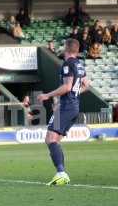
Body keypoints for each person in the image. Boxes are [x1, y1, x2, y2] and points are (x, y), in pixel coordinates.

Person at [37, 39, 90, 186]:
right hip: (73, 106)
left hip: (67, 107)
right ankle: (61, 173)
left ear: (66, 48)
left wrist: (47, 95)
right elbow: (87, 84)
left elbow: (67, 87)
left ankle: (61, 173)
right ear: (77, 50)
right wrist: (74, 94)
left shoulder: (68, 64)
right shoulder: (79, 65)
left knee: (50, 139)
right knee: (55, 140)